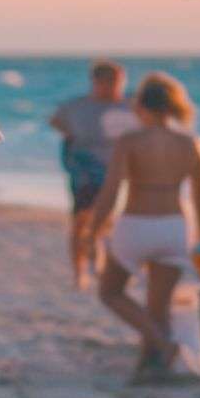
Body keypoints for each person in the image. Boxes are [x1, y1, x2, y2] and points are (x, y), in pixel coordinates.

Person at [88, 72, 200, 380]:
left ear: (141, 105)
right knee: (158, 306)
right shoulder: (192, 143)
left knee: (111, 292)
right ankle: (151, 365)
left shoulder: (130, 142)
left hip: (136, 225)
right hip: (174, 226)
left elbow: (112, 190)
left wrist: (93, 229)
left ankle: (163, 347)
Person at [49, 60, 136, 290]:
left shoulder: (130, 105)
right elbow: (55, 121)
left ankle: (98, 260)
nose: (114, 88)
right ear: (96, 82)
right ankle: (80, 271)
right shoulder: (78, 106)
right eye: (109, 83)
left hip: (116, 170)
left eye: (119, 82)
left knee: (105, 219)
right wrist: (73, 138)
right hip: (84, 168)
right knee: (80, 220)